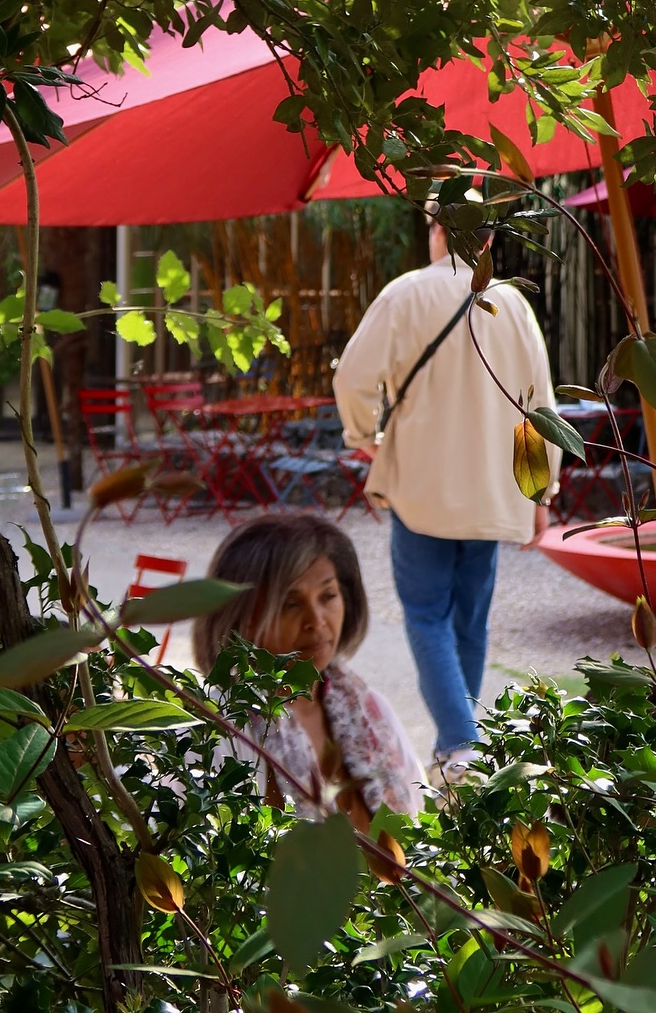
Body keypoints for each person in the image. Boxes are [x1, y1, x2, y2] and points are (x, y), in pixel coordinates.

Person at [333, 202, 557, 783]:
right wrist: (540, 492)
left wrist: (364, 437)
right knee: (470, 621)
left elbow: (351, 378)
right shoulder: (513, 303)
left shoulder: (405, 293)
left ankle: (460, 743)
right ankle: (457, 752)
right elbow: (539, 409)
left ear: (437, 232)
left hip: (421, 487)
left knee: (427, 614)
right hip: (492, 490)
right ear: (488, 242)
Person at [191, 510, 424, 823]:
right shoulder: (220, 733)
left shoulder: (370, 711)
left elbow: (417, 829)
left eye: (328, 596)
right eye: (290, 604)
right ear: (241, 619)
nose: (316, 620)